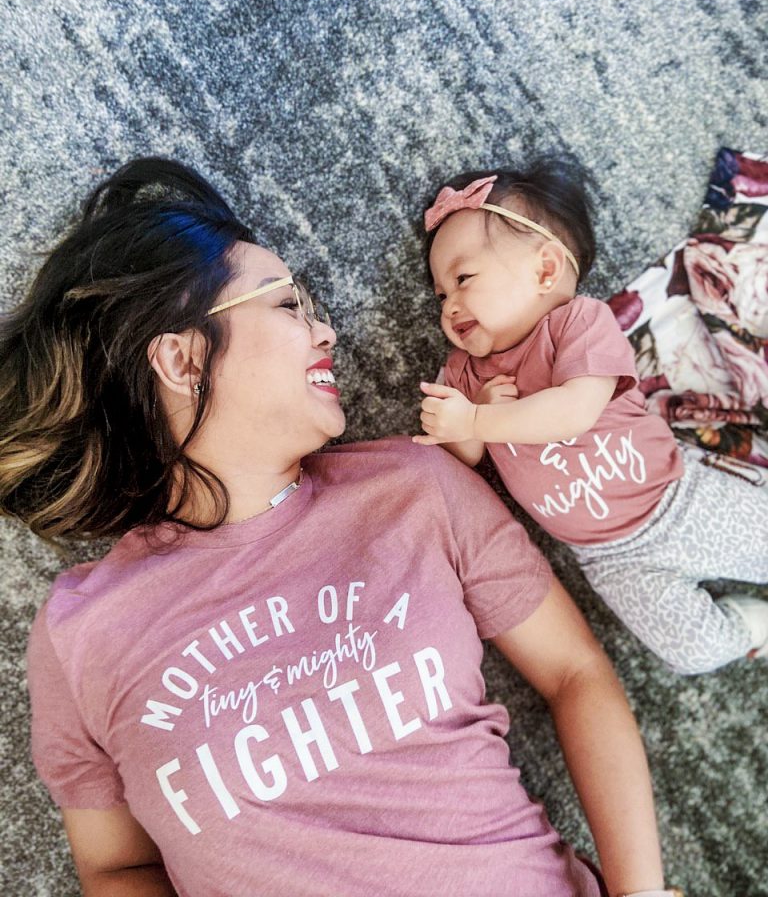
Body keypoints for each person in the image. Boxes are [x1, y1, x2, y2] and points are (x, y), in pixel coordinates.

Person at [4, 158, 675, 897]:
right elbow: (115, 867)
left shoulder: (415, 486)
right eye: (288, 305)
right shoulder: (80, 634)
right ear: (183, 356)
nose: (325, 328)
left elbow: (575, 674)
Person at [414, 156, 768, 676]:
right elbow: (459, 463)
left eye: (464, 278)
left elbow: (575, 411)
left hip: (677, 501)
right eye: (441, 293)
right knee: (694, 654)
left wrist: (478, 423)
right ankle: (750, 626)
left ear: (546, 269)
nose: (448, 305)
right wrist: (461, 427)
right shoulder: (463, 372)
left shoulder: (578, 324)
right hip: (610, 558)